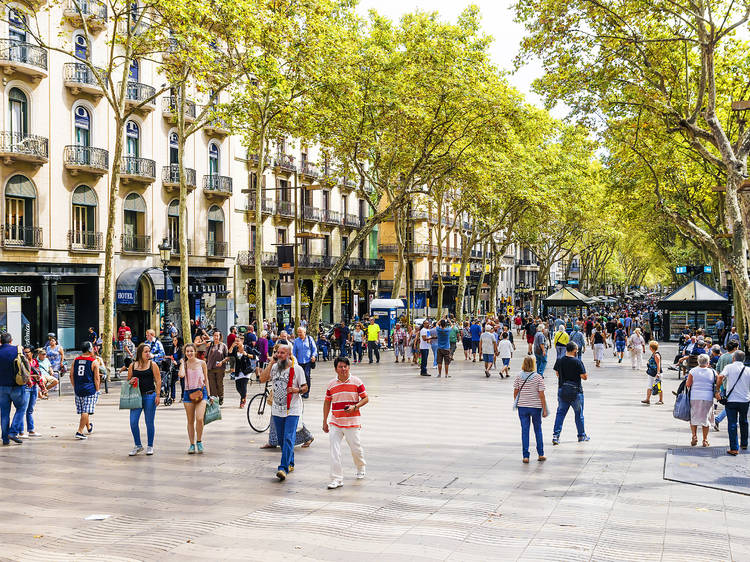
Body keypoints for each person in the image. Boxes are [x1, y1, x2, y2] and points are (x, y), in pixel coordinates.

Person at [260, 342, 307, 481]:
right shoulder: (274, 367)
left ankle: (283, 468)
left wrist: (297, 390)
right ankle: (290, 462)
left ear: (289, 355)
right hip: (277, 409)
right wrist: (270, 363)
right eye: (277, 352)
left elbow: (305, 387)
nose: (279, 355)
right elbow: (262, 379)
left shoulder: (297, 370)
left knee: (288, 437)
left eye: (282, 353)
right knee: (281, 439)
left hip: (292, 409)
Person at [323, 356, 369, 489]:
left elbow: (366, 398)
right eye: (340, 367)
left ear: (349, 367)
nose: (343, 369)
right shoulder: (331, 384)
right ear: (335, 369)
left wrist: (355, 407)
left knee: (356, 448)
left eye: (345, 366)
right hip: (335, 422)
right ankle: (337, 479)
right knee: (334, 450)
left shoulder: (356, 381)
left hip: (352, 422)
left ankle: (361, 466)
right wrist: (325, 421)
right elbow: (327, 402)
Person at [126, 343, 161, 456]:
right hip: (136, 397)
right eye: (145, 351)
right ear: (140, 353)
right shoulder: (132, 365)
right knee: (133, 422)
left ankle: (150, 445)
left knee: (149, 422)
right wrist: (130, 381)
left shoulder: (153, 364)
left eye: (149, 351)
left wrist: (158, 395)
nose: (148, 353)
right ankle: (138, 445)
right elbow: (128, 380)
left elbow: (158, 380)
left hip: (150, 396)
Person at [552, 342, 589, 445]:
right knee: (579, 414)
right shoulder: (577, 362)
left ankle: (556, 436)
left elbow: (557, 373)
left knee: (560, 413)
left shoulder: (559, 360)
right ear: (574, 350)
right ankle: (581, 435)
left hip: (562, 389)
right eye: (576, 350)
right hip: (576, 391)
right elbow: (584, 377)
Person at [514, 355, 547, 463]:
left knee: (525, 430)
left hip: (523, 407)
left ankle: (526, 456)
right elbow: (541, 394)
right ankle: (541, 453)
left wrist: (519, 402)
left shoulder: (519, 376)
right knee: (538, 430)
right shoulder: (538, 377)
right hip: (536, 407)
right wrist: (544, 408)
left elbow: (515, 392)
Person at [179, 343, 211, 454]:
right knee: (190, 420)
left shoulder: (202, 363)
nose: (189, 353)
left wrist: (210, 395)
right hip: (188, 393)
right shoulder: (185, 364)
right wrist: (183, 363)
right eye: (187, 351)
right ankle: (192, 444)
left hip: (201, 392)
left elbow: (206, 379)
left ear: (195, 351)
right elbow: (181, 375)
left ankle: (199, 441)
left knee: (199, 418)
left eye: (191, 351)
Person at [717, 350, 750, 455]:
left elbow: (720, 377)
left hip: (731, 400)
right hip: (745, 399)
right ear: (744, 359)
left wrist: (717, 390)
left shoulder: (729, 367)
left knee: (732, 423)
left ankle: (734, 448)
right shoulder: (748, 370)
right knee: (744, 421)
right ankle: (744, 444)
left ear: (733, 358)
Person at [71, 341, 100, 440]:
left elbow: (71, 375)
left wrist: (75, 386)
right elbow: (96, 378)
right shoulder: (94, 362)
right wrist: (97, 389)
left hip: (78, 389)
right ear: (90, 349)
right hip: (89, 389)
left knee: (84, 410)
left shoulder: (75, 360)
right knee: (86, 411)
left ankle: (88, 427)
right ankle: (79, 431)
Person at [686, 354, 716, 447]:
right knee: (706, 418)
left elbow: (688, 384)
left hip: (695, 396)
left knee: (694, 416)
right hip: (708, 397)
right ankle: (705, 440)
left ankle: (694, 436)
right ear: (708, 362)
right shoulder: (713, 372)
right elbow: (717, 383)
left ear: (698, 362)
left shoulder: (693, 371)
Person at [230, 340, 256, 408]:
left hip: (246, 370)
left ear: (242, 341)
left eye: (238, 341)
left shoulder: (247, 348)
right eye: (235, 341)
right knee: (238, 387)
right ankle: (244, 395)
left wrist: (246, 354)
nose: (236, 342)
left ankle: (242, 401)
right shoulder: (235, 348)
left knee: (243, 386)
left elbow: (254, 356)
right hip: (238, 370)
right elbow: (229, 354)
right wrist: (232, 346)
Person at [205, 330, 229, 406]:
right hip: (210, 368)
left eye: (217, 336)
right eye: (214, 335)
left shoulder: (223, 345)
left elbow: (227, 357)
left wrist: (222, 362)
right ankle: (214, 399)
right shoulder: (209, 345)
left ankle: (221, 396)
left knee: (219, 383)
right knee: (212, 384)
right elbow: (205, 357)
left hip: (220, 368)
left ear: (220, 337)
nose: (216, 337)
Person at [293, 327, 317, 399]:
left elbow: (314, 349)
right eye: (298, 332)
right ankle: (300, 391)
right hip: (299, 362)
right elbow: (294, 352)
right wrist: (294, 360)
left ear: (304, 332)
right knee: (299, 377)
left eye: (301, 332)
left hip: (308, 361)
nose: (299, 334)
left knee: (307, 376)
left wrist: (313, 356)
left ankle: (306, 392)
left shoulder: (310, 339)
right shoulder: (296, 341)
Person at [642, 341, 663, 405]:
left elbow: (658, 364)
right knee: (649, 386)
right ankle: (647, 399)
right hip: (651, 372)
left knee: (658, 387)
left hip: (656, 373)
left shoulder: (656, 355)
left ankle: (660, 400)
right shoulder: (653, 354)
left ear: (651, 348)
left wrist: (658, 373)